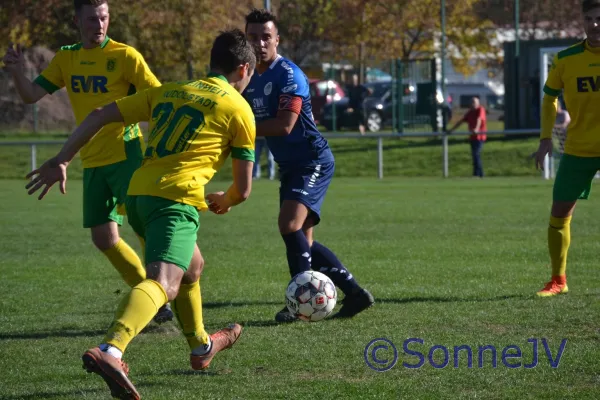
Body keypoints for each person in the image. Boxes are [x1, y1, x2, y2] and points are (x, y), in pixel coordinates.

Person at [25, 29, 256, 399]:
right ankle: (111, 349)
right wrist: (226, 200)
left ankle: (201, 347)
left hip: (138, 195)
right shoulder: (239, 108)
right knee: (164, 283)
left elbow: (101, 114)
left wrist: (62, 157)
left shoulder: (171, 90)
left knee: (193, 267)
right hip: (175, 201)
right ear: (244, 69)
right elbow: (243, 189)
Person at [2, 0, 173, 323]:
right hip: (92, 160)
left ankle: (160, 290)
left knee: (141, 224)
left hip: (127, 155)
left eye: (104, 18)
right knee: (104, 238)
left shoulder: (125, 56)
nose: (100, 25)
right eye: (93, 19)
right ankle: (154, 299)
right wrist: (14, 70)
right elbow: (30, 95)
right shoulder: (67, 58)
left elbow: (160, 99)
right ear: (78, 21)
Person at [243, 8, 374, 323]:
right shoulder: (246, 77)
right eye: (252, 37)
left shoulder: (289, 74)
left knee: (289, 225)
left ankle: (297, 304)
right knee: (304, 240)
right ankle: (354, 293)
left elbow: (285, 125)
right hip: (290, 165)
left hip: (312, 160)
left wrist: (238, 127)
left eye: (266, 37)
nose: (259, 43)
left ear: (277, 40)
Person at [533, 0, 600, 297]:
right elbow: (549, 98)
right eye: (590, 18)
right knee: (559, 212)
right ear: (583, 21)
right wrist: (546, 137)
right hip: (578, 149)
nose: (595, 24)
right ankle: (558, 280)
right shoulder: (565, 58)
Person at [446, 96, 487, 177]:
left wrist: (476, 129)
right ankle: (477, 174)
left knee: (476, 154)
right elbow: (460, 122)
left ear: (478, 103)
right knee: (474, 155)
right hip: (472, 137)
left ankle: (480, 174)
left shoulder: (480, 109)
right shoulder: (470, 112)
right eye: (471, 103)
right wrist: (451, 130)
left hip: (480, 137)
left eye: (474, 102)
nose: (472, 104)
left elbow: (479, 119)